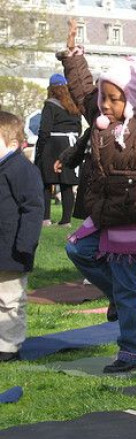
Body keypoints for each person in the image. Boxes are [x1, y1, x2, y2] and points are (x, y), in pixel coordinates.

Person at [60, 21, 136, 373]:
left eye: (114, 98)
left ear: (131, 99)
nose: (104, 105)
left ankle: (135, 352)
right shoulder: (102, 117)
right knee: (77, 247)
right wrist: (75, 57)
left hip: (135, 213)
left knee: (125, 286)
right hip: (108, 212)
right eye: (104, 98)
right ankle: (122, 296)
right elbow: (83, 93)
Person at [0, 111, 44, 362]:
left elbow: (33, 208)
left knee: (10, 300)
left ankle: (9, 347)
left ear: (13, 144)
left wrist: (26, 244)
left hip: (13, 248)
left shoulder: (20, 169)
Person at [34, 73, 82, 227]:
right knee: (66, 184)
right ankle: (66, 221)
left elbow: (44, 130)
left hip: (51, 145)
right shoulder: (74, 106)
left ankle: (45, 218)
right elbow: (79, 129)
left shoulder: (50, 104)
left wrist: (40, 151)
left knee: (46, 182)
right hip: (69, 145)